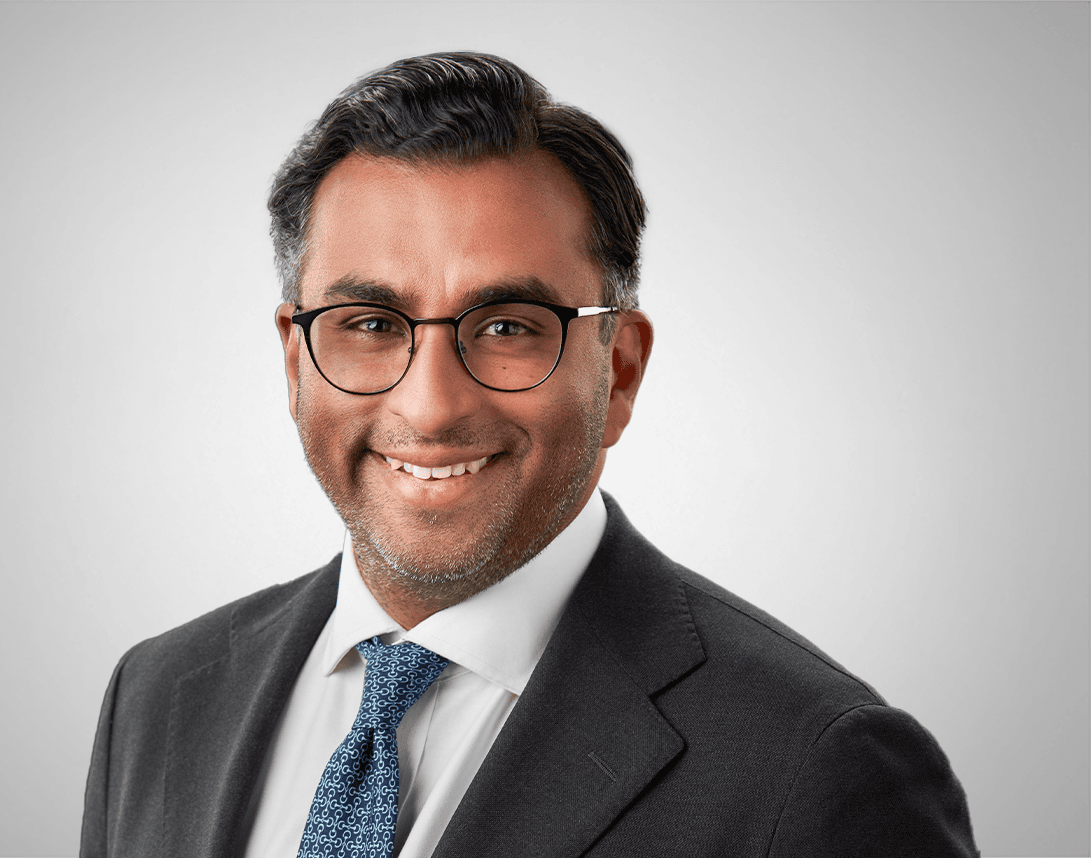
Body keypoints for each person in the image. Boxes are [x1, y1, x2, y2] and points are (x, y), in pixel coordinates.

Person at [81, 52, 978, 857]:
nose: (429, 406)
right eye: (368, 324)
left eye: (507, 326)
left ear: (618, 369)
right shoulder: (161, 698)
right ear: (294, 360)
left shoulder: (818, 770)